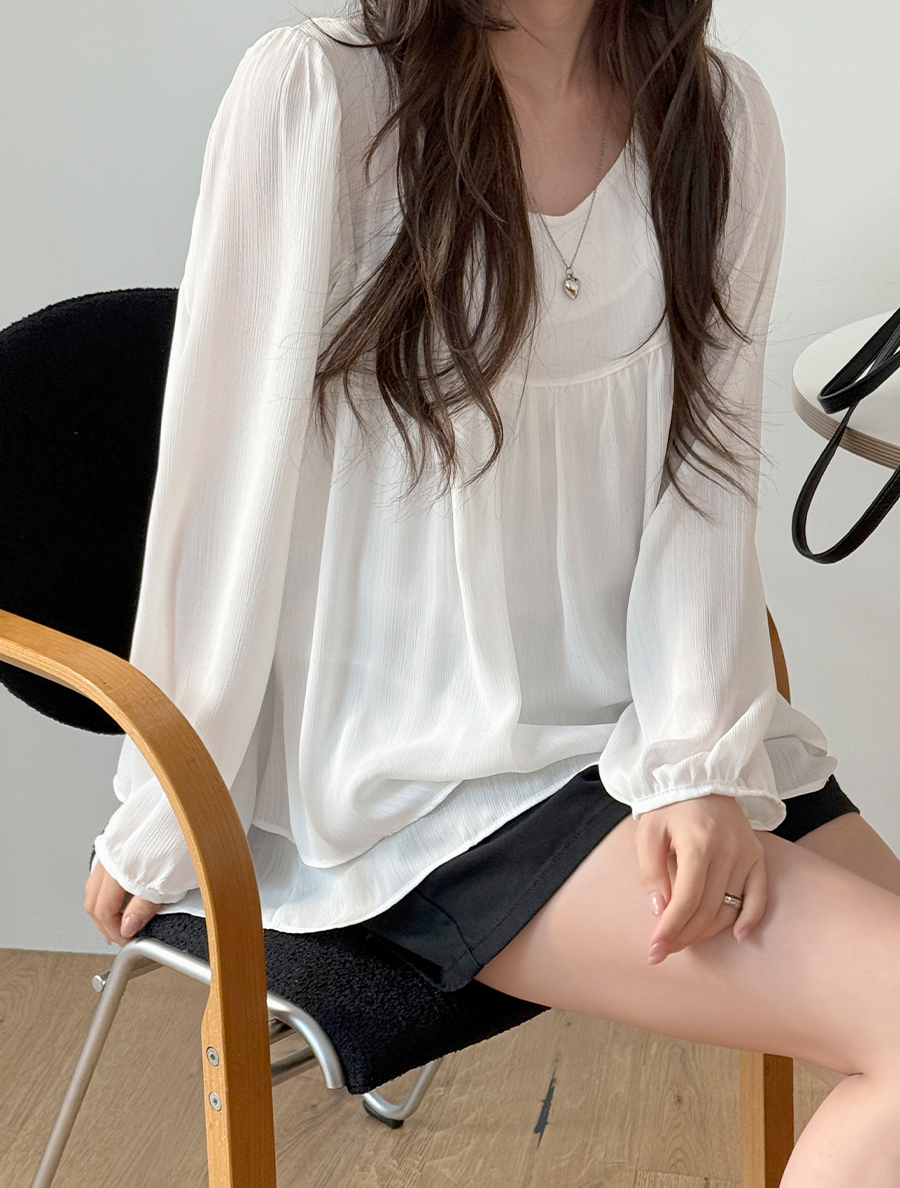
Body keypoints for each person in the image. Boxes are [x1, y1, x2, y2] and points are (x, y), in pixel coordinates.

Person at [84, 2, 900, 1181]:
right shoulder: (323, 97)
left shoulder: (715, 120)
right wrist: (168, 812)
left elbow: (707, 481)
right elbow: (223, 491)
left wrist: (695, 761)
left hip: (645, 722)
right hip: (422, 780)